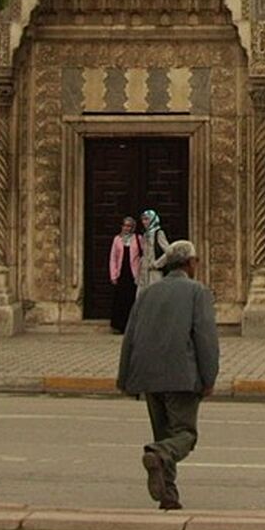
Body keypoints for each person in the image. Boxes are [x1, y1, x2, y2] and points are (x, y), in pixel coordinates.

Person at [116, 239, 219, 511]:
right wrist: (209, 378)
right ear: (189, 264)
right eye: (195, 261)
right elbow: (205, 338)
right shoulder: (198, 292)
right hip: (182, 376)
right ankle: (161, 456)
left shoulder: (148, 293)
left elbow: (130, 336)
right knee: (184, 434)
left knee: (162, 434)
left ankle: (168, 495)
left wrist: (124, 378)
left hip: (148, 376)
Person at [108, 214, 142, 334]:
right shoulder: (117, 239)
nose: (127, 228)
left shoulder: (138, 238)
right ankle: (118, 326)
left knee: (131, 299)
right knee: (120, 299)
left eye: (129, 226)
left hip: (133, 273)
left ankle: (131, 325)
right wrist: (113, 275)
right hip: (121, 272)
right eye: (125, 226)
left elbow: (142, 256)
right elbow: (113, 257)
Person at [138, 209, 172, 289]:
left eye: (146, 219)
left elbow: (169, 252)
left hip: (154, 272)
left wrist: (157, 264)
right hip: (144, 272)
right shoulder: (145, 234)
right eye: (143, 219)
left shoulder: (159, 233)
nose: (144, 222)